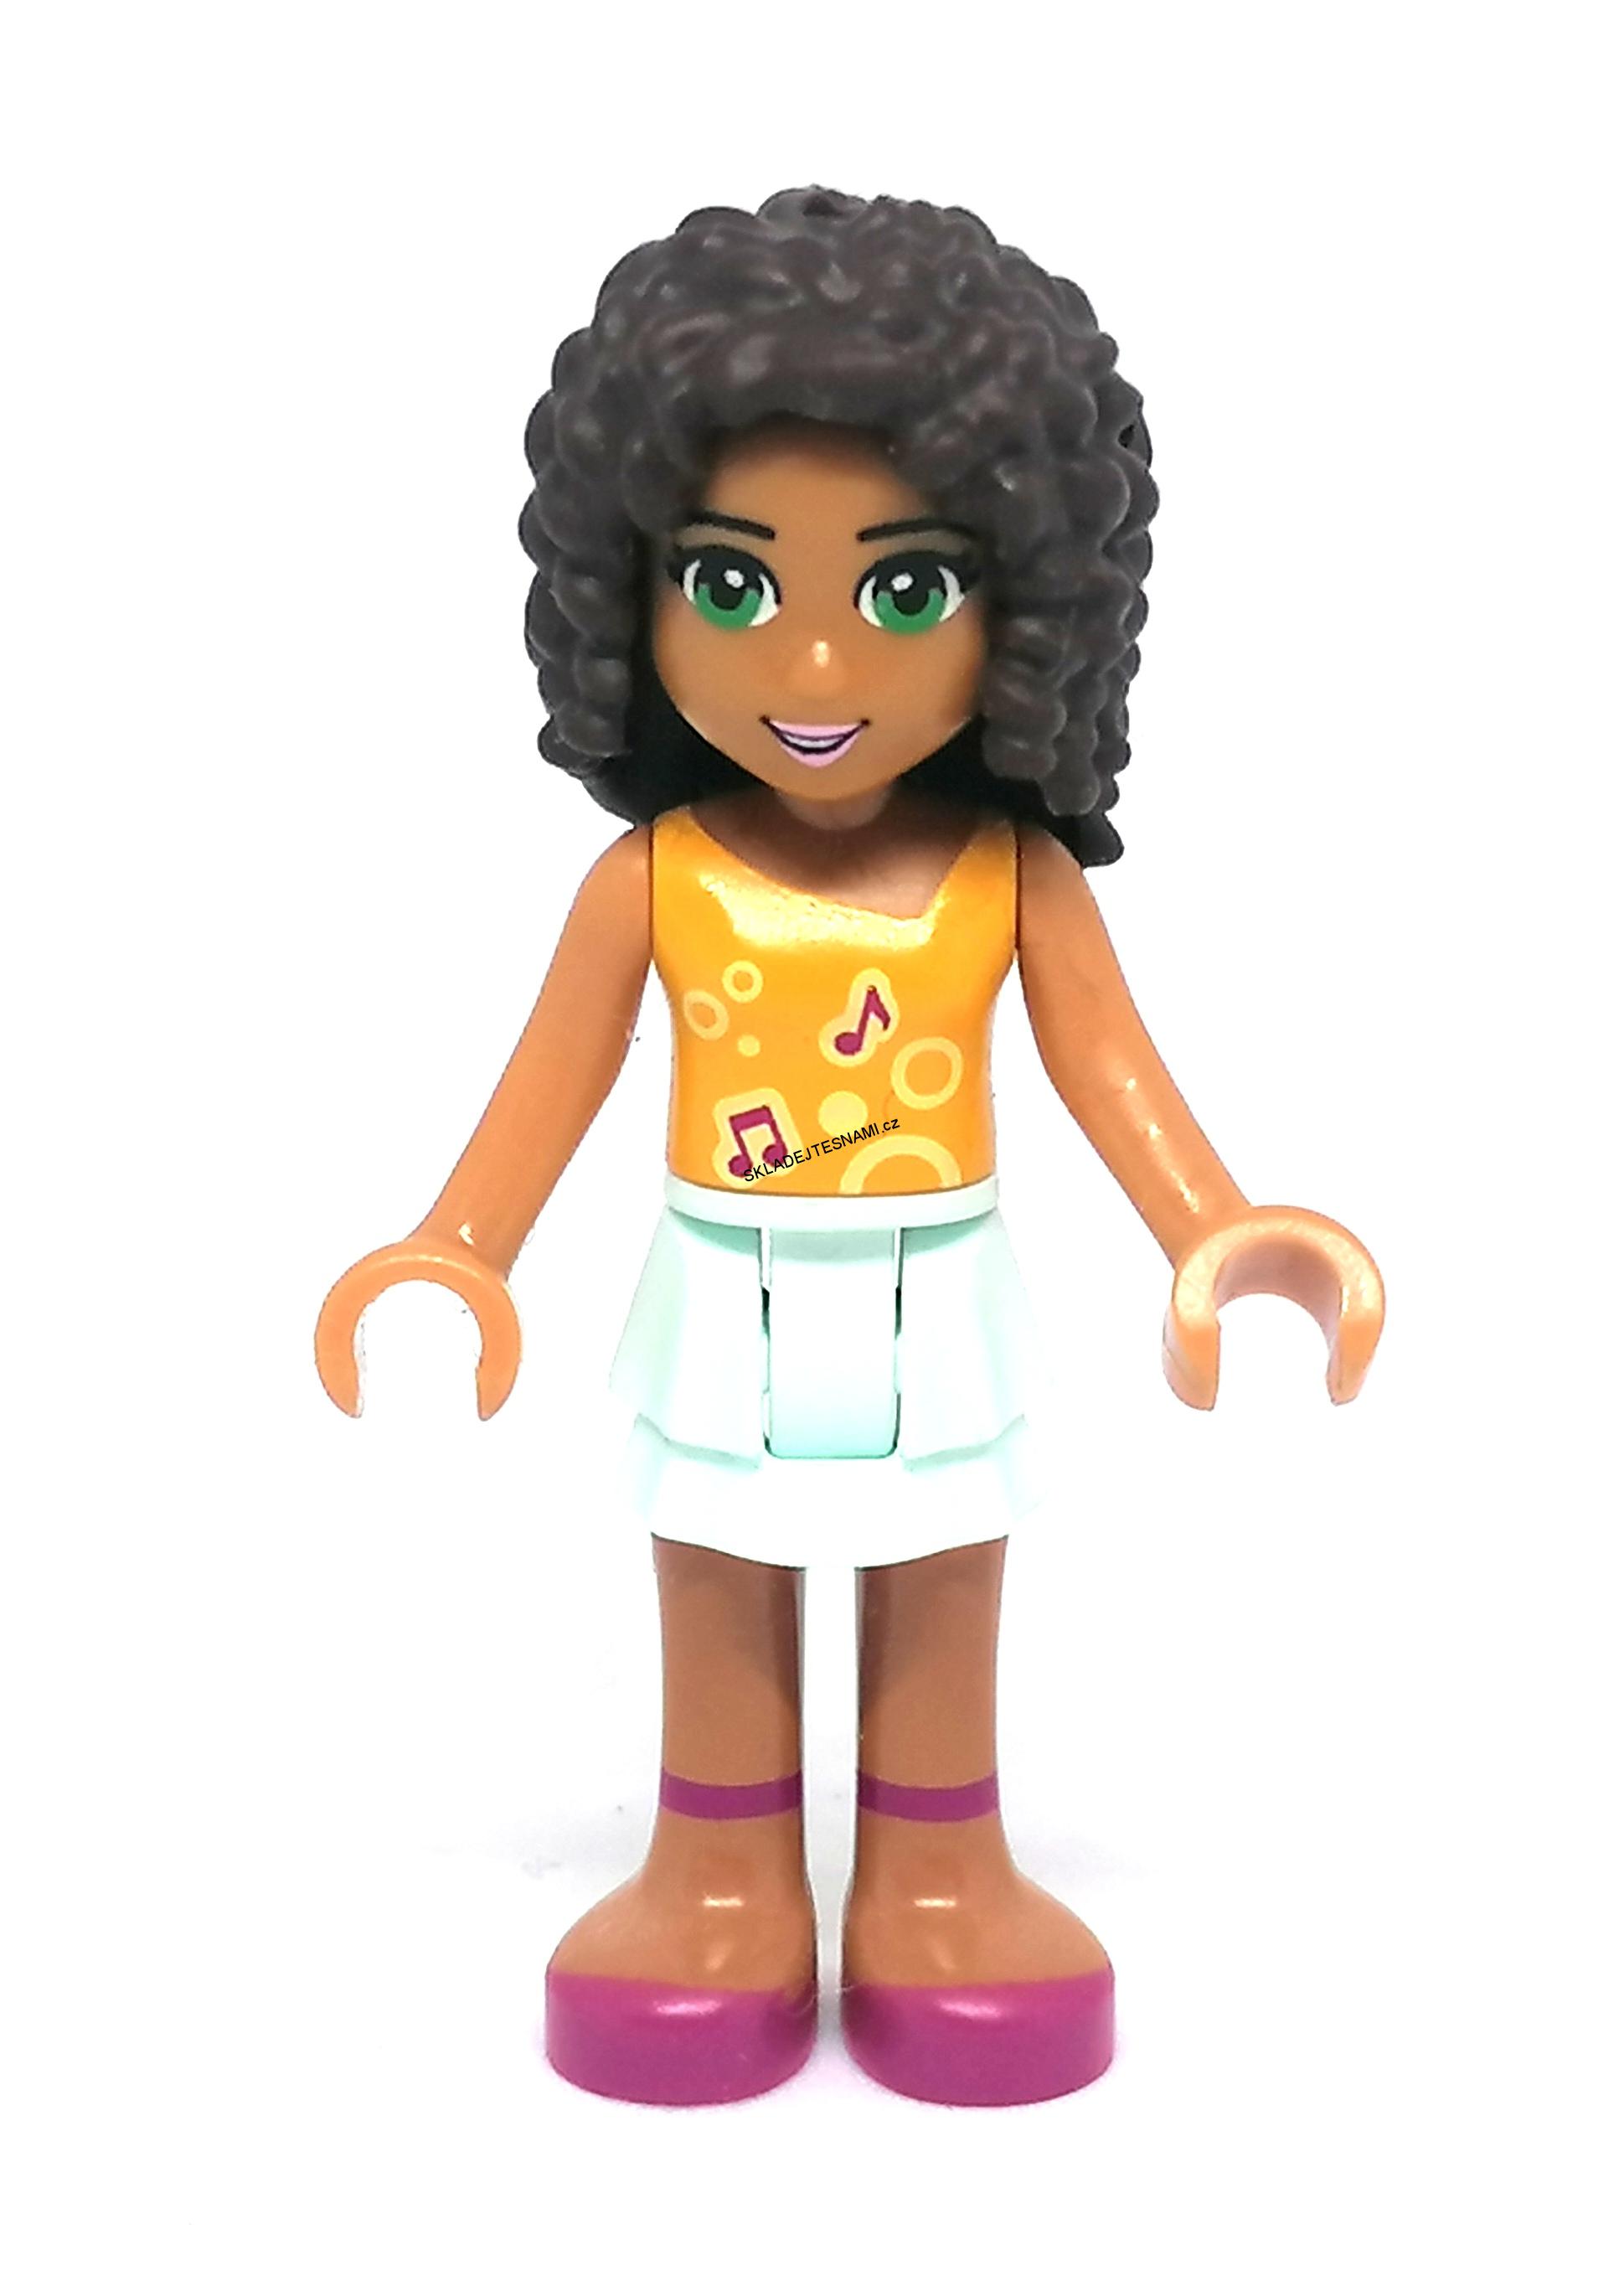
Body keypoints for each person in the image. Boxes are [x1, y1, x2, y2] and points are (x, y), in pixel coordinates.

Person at [316, 186, 1384, 2108]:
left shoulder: (1008, 876)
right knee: (715, 1570)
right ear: (628, 590)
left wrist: (1216, 1228)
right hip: (717, 1288)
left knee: (945, 1568)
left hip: (937, 1291)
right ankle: (719, 1874)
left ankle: (936, 1875)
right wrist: (455, 1249)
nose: (813, 678)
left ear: (1027, 611)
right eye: (733, 587)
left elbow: (1112, 1067)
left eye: (903, 594)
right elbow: (548, 1084)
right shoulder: (652, 881)